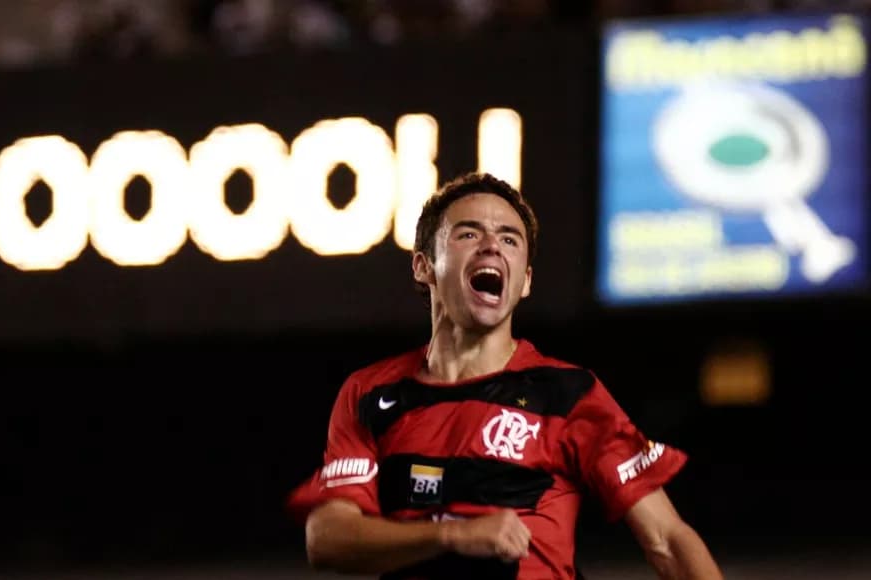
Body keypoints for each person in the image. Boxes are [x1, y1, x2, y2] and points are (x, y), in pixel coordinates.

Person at [285, 171, 723, 579]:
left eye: (510, 239)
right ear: (423, 266)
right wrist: (454, 535)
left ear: (525, 280)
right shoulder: (370, 392)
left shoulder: (569, 393)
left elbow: (667, 540)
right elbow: (327, 539)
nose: (492, 246)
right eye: (469, 233)